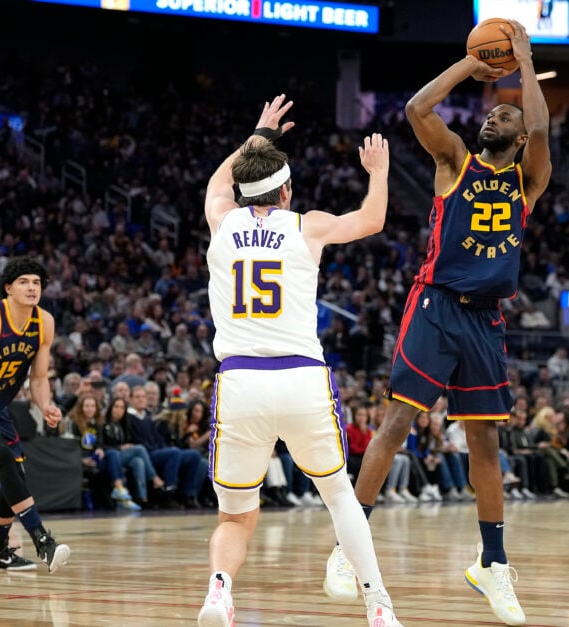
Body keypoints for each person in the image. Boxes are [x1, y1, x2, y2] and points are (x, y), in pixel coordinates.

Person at [324, 20, 549, 626]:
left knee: (485, 442)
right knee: (396, 424)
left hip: (485, 319)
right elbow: (418, 108)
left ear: (517, 136)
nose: (493, 119)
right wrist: (473, 64)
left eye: (503, 116)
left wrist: (524, 61)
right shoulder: (454, 162)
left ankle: (492, 563)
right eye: (490, 114)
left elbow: (541, 127)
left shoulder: (528, 180)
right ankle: (348, 548)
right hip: (436, 305)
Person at [196, 94, 402, 627]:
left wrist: (258, 136)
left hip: (240, 380)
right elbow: (373, 219)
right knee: (339, 497)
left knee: (235, 517)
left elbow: (218, 185)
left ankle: (219, 592)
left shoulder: (221, 220)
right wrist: (379, 172)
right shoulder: (306, 225)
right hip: (300, 378)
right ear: (286, 190)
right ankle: (378, 605)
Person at [0, 257, 71, 572]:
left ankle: (0, 551)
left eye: (37, 283)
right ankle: (43, 541)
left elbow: (39, 379)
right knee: (3, 460)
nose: (32, 288)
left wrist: (45, 406)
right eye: (24, 282)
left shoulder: (44, 322)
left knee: (15, 474)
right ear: (8, 288)